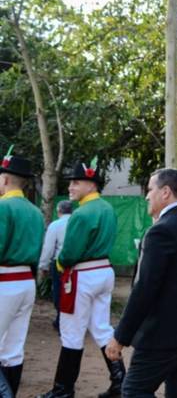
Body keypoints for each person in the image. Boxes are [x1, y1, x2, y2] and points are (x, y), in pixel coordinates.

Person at [104, 168, 177, 397]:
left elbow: (145, 288)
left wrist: (121, 337)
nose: (147, 196)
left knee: (134, 391)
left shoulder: (161, 231)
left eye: (150, 190)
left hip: (168, 331)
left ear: (166, 192)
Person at [37, 159, 123, 398]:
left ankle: (63, 391)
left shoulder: (81, 213)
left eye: (76, 183)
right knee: (102, 328)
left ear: (91, 185)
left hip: (82, 274)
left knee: (71, 332)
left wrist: (59, 263)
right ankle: (120, 383)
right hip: (105, 270)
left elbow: (70, 253)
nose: (71, 187)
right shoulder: (107, 209)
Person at [0, 151, 44, 396]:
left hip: (4, 281)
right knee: (13, 349)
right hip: (26, 281)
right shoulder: (35, 212)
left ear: (5, 180)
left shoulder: (2, 207)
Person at [39, 200, 74, 332]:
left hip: (59, 263)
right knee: (74, 293)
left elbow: (48, 247)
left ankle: (61, 320)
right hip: (77, 263)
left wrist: (44, 265)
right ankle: (71, 321)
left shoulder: (55, 225)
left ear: (58, 210)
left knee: (59, 292)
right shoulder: (78, 223)